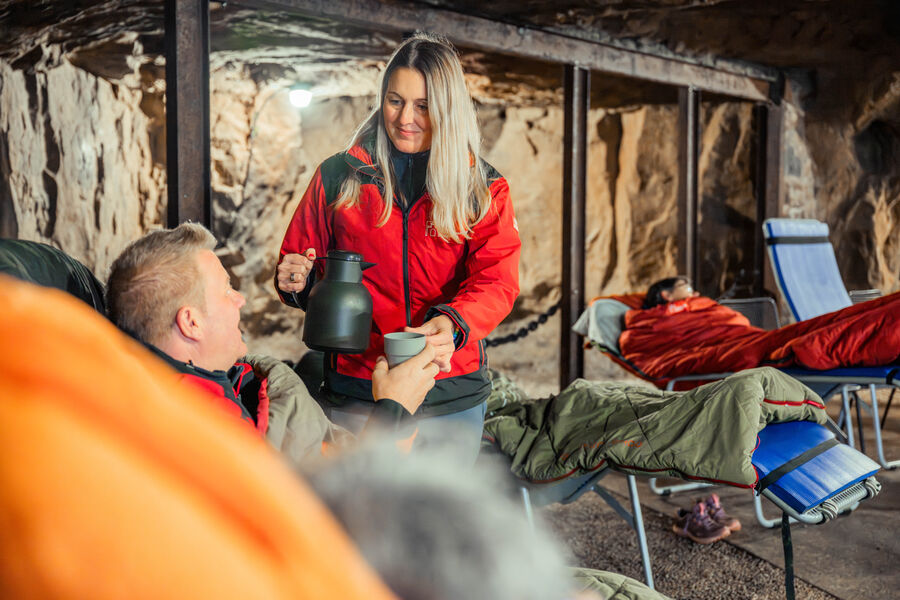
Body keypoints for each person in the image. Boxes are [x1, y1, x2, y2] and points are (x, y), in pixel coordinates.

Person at [275, 32, 521, 466]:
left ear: (447, 109)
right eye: (395, 101)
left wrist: (452, 324)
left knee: (439, 522)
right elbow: (300, 260)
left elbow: (497, 279)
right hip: (359, 383)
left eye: (423, 105)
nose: (406, 117)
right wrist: (297, 281)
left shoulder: (483, 188)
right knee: (359, 518)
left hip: (449, 387)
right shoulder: (339, 175)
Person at [106, 222, 437, 463]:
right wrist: (395, 407)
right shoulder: (207, 439)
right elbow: (352, 515)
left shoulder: (230, 380)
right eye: (226, 290)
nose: (241, 299)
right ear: (191, 322)